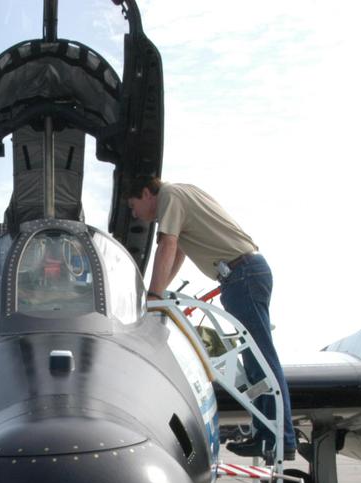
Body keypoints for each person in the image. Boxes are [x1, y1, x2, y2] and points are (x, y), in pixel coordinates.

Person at [125, 176, 296, 462]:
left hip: (243, 275)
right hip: (243, 274)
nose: (134, 215)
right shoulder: (181, 194)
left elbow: (167, 245)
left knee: (262, 360)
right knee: (256, 361)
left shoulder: (170, 196)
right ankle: (267, 437)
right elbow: (177, 251)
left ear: (145, 193)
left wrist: (152, 298)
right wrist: (158, 294)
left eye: (133, 206)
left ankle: (281, 439)